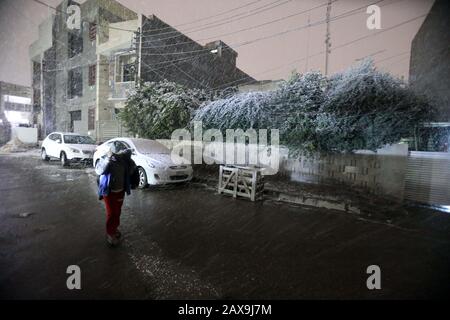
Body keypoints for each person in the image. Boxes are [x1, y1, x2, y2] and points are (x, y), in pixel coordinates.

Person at [95, 143, 137, 247]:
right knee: (111, 213)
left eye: (120, 152)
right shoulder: (105, 158)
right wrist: (108, 159)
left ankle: (114, 228)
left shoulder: (124, 161)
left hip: (120, 191)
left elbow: (132, 170)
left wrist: (129, 160)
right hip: (108, 192)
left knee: (117, 212)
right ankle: (110, 233)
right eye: (116, 152)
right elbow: (99, 170)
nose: (118, 154)